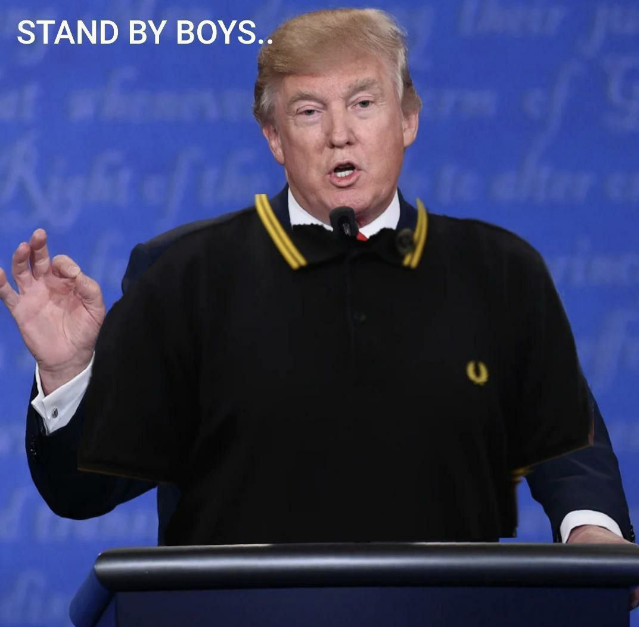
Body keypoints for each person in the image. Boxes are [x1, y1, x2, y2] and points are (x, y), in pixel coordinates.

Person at [0, 6, 636, 603]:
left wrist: (592, 532)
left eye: (363, 103)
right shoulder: (180, 277)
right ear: (274, 137)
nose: (339, 135)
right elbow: (84, 490)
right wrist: (69, 373)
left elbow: (562, 437)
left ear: (408, 119)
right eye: (309, 112)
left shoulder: (494, 275)